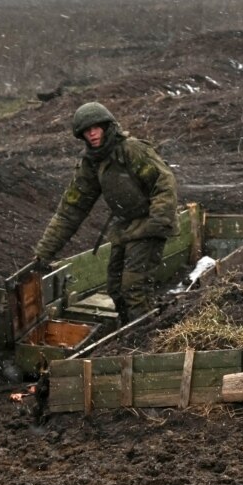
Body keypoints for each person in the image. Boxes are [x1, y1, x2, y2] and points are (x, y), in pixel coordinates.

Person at [33, 102, 178, 324]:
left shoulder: (132, 150)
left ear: (107, 126)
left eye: (95, 128)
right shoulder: (91, 164)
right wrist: (44, 253)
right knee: (115, 287)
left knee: (134, 288)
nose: (91, 134)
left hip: (149, 222)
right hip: (126, 226)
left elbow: (164, 182)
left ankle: (148, 336)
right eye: (86, 131)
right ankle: (129, 330)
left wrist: (157, 223)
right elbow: (70, 210)